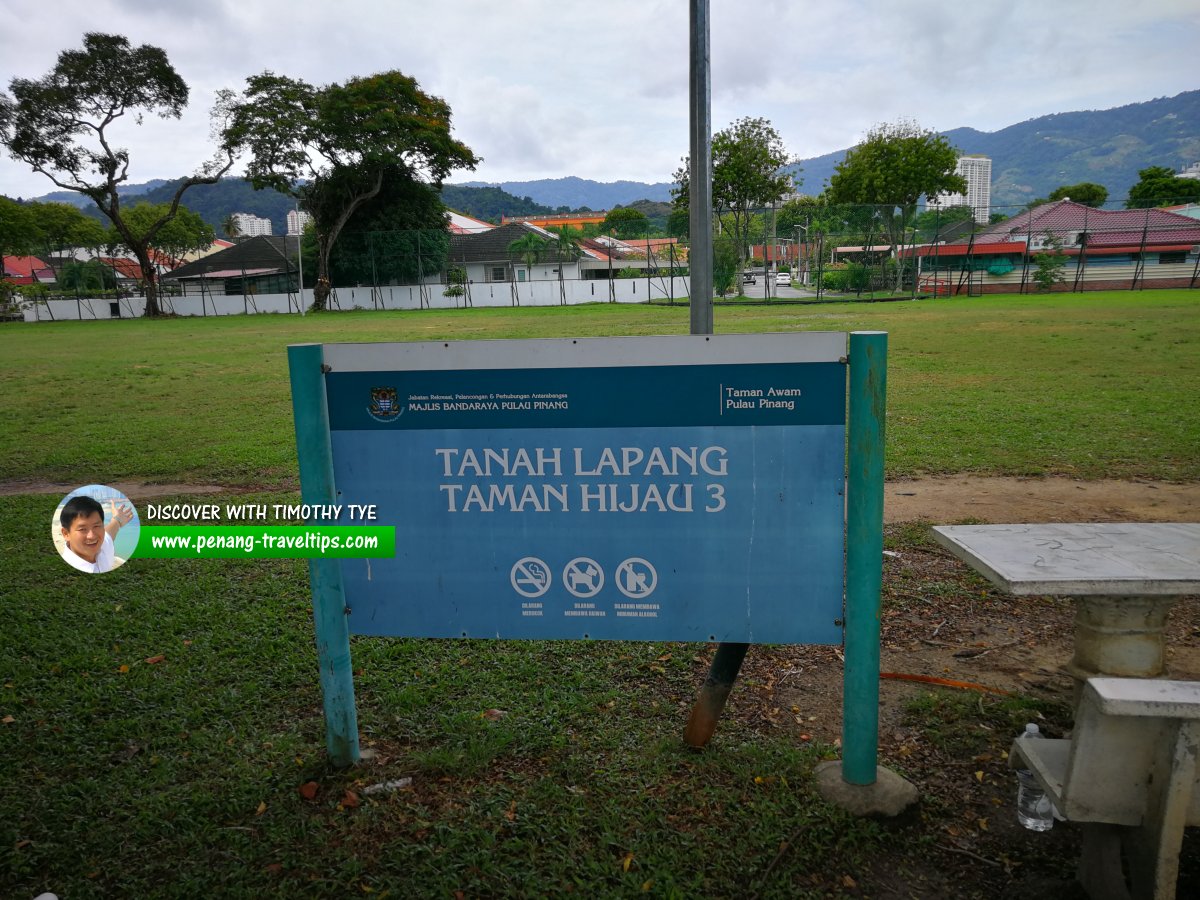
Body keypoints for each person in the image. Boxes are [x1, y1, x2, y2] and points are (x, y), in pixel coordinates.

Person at [58, 495, 133, 574]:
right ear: (66, 534)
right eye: (82, 529)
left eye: (96, 526)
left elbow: (109, 533)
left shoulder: (102, 546)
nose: (92, 536)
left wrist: (117, 519)